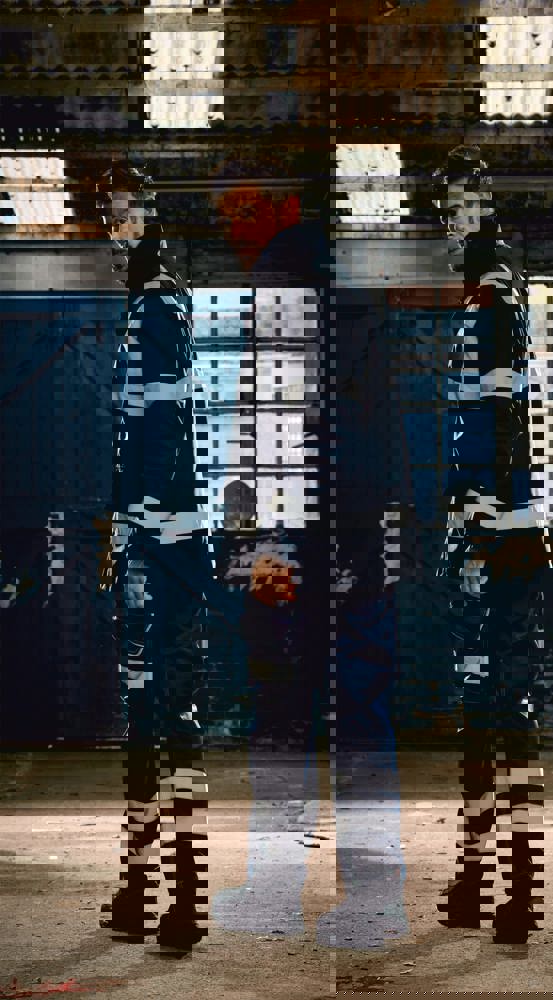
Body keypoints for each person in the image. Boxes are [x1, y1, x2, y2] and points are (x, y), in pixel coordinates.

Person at [432, 145, 552, 944]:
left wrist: (486, 518)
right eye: (447, 208)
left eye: (463, 204)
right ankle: (484, 879)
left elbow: (505, 422)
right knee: (489, 709)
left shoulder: (494, 301)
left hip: (495, 537)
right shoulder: (485, 302)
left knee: (500, 710)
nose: (453, 221)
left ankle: (510, 887)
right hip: (491, 530)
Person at [97, 164, 212, 948]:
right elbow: (132, 437)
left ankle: (185, 898)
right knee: (146, 715)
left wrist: (139, 520)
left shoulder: (161, 304)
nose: (117, 227)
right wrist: (119, 524)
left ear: (150, 217)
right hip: (146, 543)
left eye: (127, 212)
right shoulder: (142, 309)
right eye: (109, 214)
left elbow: (166, 430)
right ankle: (142, 886)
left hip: (165, 548)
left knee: (170, 718)